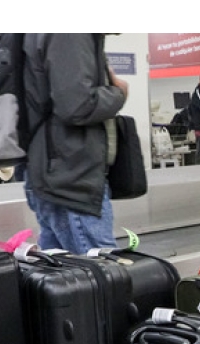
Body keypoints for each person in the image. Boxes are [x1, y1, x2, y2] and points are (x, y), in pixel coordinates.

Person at [22, 33, 128, 254]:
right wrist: (118, 93)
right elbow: (77, 105)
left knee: (62, 269)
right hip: (71, 179)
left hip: (57, 172)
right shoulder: (71, 32)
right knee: (100, 268)